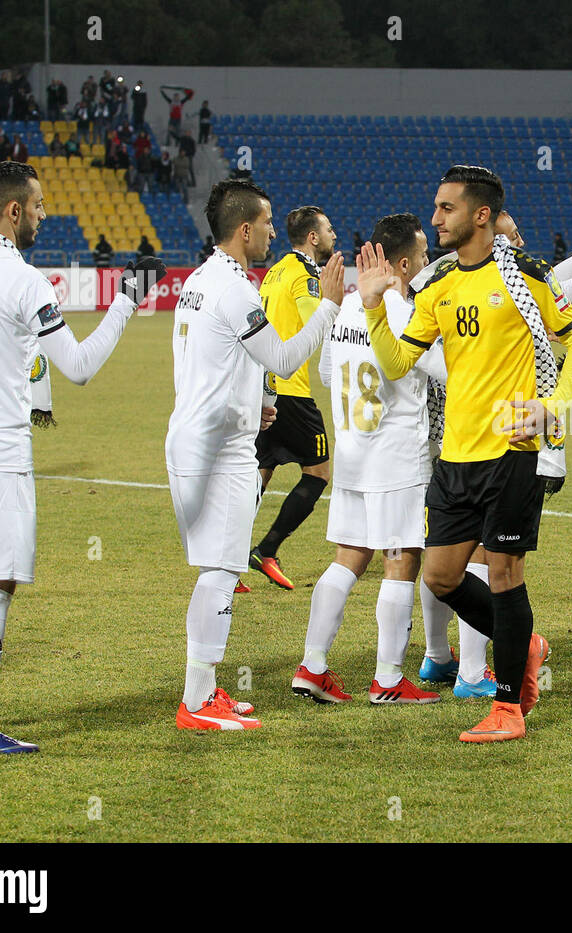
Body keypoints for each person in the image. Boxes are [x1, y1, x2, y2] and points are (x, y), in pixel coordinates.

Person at [0, 160, 156, 753]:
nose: (44, 215)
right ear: (14, 210)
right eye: (40, 206)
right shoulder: (24, 282)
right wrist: (125, 301)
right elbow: (78, 367)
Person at [358, 164, 572, 742]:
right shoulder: (437, 285)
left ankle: (509, 706)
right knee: (439, 578)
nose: (435, 218)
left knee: (506, 574)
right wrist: (371, 307)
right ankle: (525, 645)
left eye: (447, 208)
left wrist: (552, 404)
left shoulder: (526, 275)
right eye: (436, 208)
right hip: (455, 456)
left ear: (480, 215)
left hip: (510, 452)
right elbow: (395, 364)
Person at [167, 179, 344, 731]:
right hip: (220, 452)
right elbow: (287, 358)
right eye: (266, 223)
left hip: (197, 437)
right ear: (245, 229)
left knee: (214, 569)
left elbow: (206, 361)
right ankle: (197, 704)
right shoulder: (238, 289)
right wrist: (330, 306)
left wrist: (252, 404)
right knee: (220, 572)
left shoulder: (197, 281)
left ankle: (204, 690)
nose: (272, 231)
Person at [295, 212, 448, 705]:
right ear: (403, 264)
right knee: (401, 558)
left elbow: (323, 373)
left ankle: (312, 666)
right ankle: (387, 679)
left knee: (347, 558)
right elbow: (450, 372)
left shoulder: (342, 312)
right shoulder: (403, 313)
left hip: (352, 454)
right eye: (423, 256)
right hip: (397, 455)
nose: (428, 263)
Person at [248, 207, 341, 589]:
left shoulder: (275, 271)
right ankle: (266, 549)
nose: (334, 234)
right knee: (318, 472)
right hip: (291, 390)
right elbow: (319, 318)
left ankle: (227, 558)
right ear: (313, 237)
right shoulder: (305, 274)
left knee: (261, 472)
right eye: (329, 229)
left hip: (264, 386)